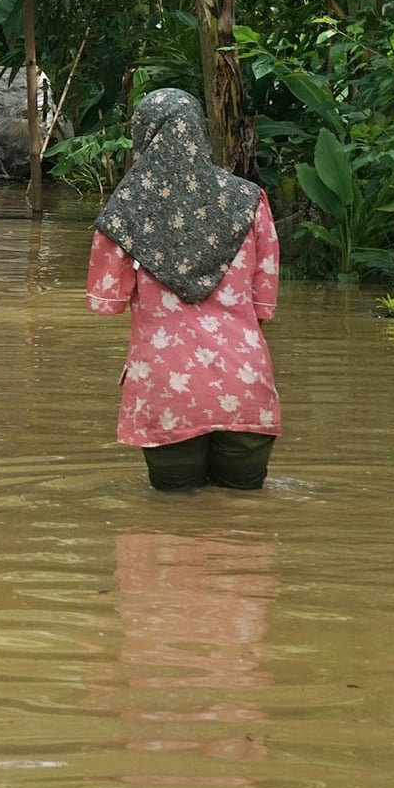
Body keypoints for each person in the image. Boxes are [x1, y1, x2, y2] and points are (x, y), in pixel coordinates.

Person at [87, 89, 281, 492]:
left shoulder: (124, 213)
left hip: (166, 391)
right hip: (245, 385)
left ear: (144, 135)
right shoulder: (251, 201)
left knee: (171, 519)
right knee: (245, 519)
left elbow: (106, 302)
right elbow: (264, 304)